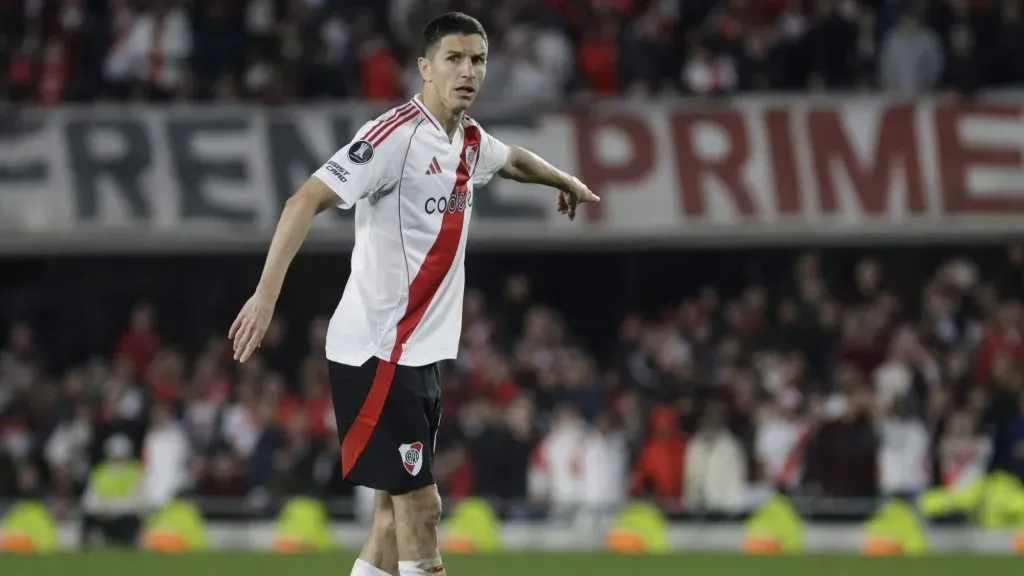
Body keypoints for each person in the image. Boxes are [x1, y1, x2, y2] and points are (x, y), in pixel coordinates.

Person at [228, 12, 599, 576]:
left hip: (418, 356)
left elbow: (515, 159)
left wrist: (563, 181)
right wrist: (265, 296)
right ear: (425, 68)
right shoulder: (391, 137)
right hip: (379, 350)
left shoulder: (470, 142)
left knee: (388, 520)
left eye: (477, 59)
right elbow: (302, 201)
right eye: (453, 58)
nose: (468, 70)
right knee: (422, 510)